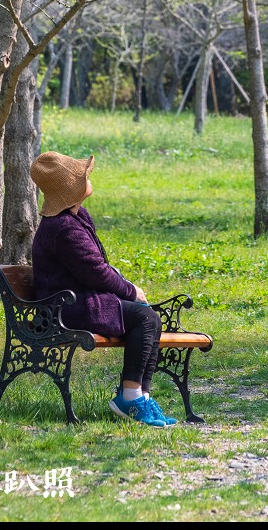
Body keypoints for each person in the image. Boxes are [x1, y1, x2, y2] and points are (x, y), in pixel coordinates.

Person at [30, 150, 176, 428]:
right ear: (71, 188)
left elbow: (94, 266)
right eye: (82, 176)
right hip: (68, 308)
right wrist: (130, 290)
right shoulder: (63, 228)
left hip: (79, 299)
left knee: (149, 318)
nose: (88, 177)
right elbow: (95, 272)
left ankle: (140, 396)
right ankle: (130, 398)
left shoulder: (76, 216)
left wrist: (124, 286)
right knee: (145, 318)